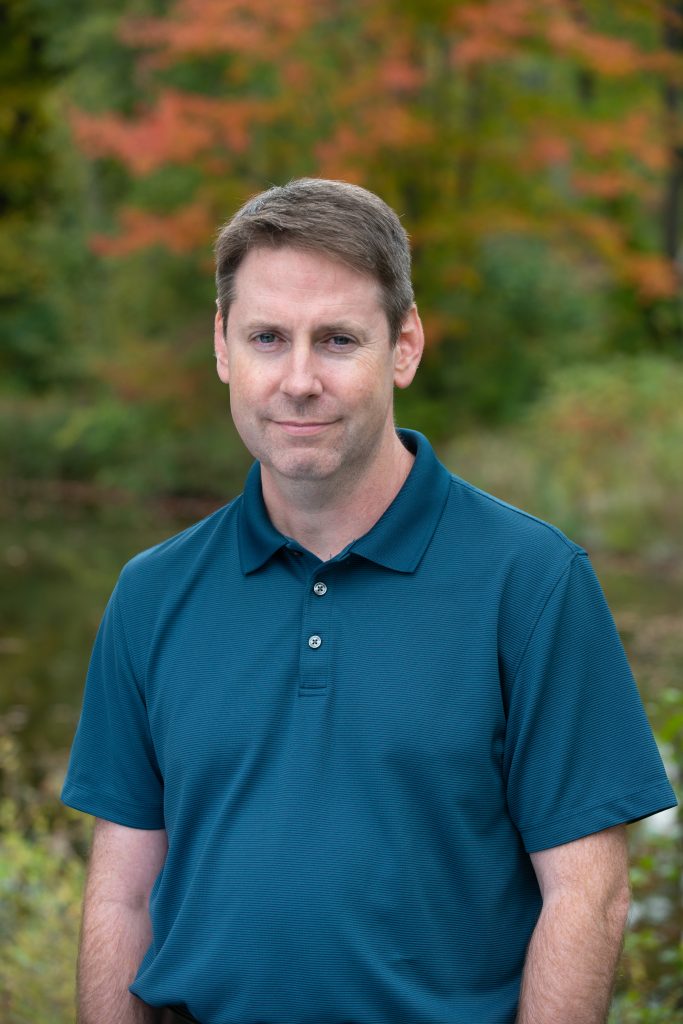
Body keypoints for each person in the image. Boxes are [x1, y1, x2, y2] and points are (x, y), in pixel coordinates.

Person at [62, 178, 677, 1024]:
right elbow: (120, 899)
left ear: (405, 345)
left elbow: (587, 899)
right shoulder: (151, 593)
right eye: (267, 338)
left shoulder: (530, 581)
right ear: (221, 347)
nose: (299, 379)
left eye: (338, 339)